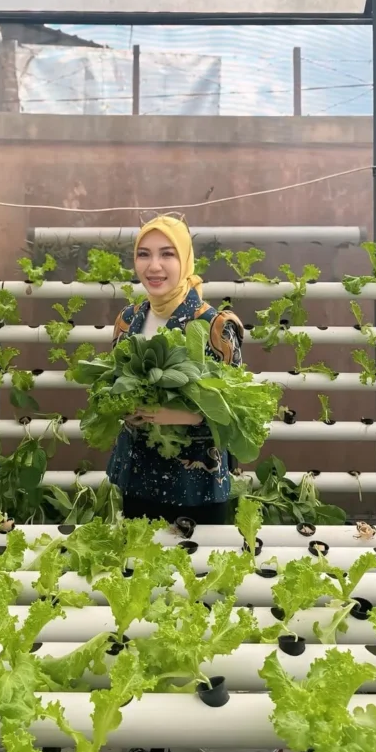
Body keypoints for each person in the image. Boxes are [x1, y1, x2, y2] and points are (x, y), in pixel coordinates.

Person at [106, 214, 244, 524]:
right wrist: (123, 408)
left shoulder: (216, 326)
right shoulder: (129, 319)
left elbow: (237, 411)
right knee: (139, 566)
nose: (154, 266)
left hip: (196, 486)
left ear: (185, 258)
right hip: (138, 479)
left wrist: (183, 415)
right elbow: (114, 383)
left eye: (167, 254)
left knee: (198, 570)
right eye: (144, 254)